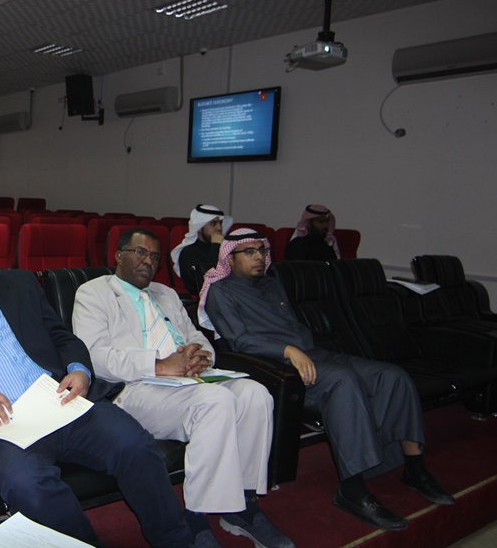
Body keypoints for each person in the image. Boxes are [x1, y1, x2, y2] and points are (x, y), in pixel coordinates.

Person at [0, 220, 195, 548]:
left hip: (59, 400)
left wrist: (79, 369)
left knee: (135, 444)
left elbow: (62, 336)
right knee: (27, 484)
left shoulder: (20, 284)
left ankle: (176, 542)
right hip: (4, 423)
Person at [201, 229, 454, 532]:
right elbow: (239, 341)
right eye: (249, 252)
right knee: (343, 382)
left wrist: (300, 349)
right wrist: (288, 350)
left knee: (393, 376)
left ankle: (415, 467)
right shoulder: (221, 291)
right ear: (230, 258)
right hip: (276, 367)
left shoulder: (272, 284)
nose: (259, 257)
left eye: (262, 250)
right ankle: (352, 491)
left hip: (314, 354)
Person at [73, 228, 293, 548]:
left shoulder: (166, 293)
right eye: (140, 253)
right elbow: (93, 356)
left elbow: (197, 337)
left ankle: (242, 507)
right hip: (135, 387)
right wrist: (160, 365)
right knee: (215, 401)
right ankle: (195, 517)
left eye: (154, 257)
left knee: (256, 394)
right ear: (119, 256)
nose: (148, 261)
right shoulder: (93, 293)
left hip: (189, 380)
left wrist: (200, 357)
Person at [171, 204, 233, 295]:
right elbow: (205, 283)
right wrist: (215, 246)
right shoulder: (188, 252)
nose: (219, 228)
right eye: (213, 223)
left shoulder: (224, 247)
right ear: (199, 228)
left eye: (220, 223)